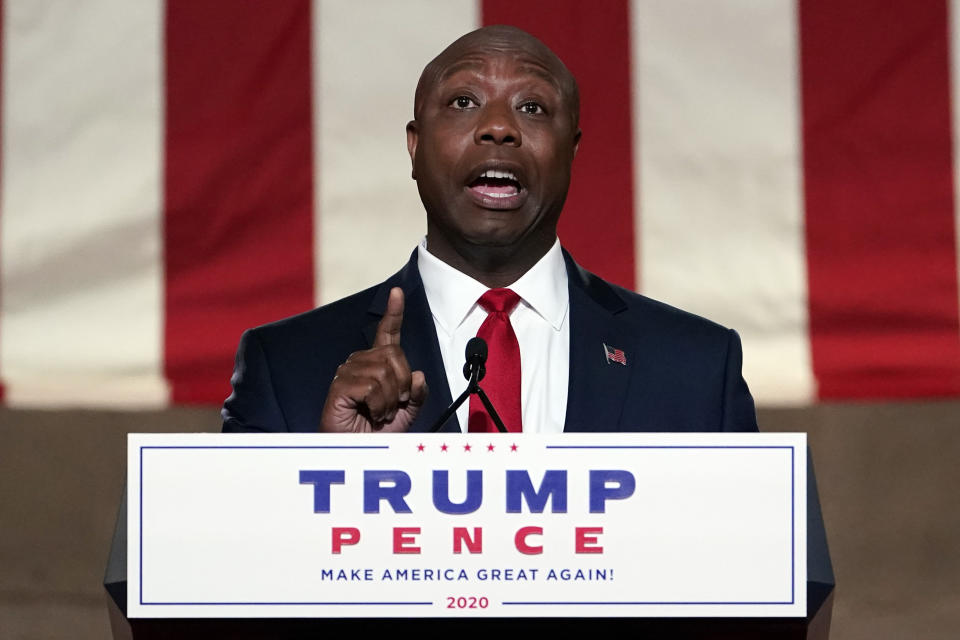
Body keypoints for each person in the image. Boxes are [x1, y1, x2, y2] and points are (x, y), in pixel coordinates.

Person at [221, 25, 758, 435]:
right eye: (463, 102)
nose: (498, 127)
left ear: (571, 151)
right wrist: (331, 477)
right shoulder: (286, 366)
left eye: (531, 106)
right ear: (414, 146)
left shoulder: (698, 368)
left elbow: (779, 575)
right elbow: (220, 574)